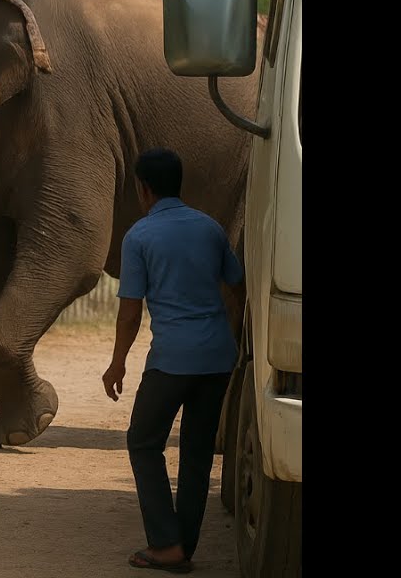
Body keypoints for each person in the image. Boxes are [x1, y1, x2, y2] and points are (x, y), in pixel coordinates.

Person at [103, 147, 244, 573]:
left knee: (144, 442)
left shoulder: (139, 236)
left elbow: (130, 313)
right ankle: (183, 546)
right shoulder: (210, 228)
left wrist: (117, 363)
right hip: (217, 358)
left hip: (171, 361)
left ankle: (166, 544)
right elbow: (238, 285)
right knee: (197, 453)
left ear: (143, 189)